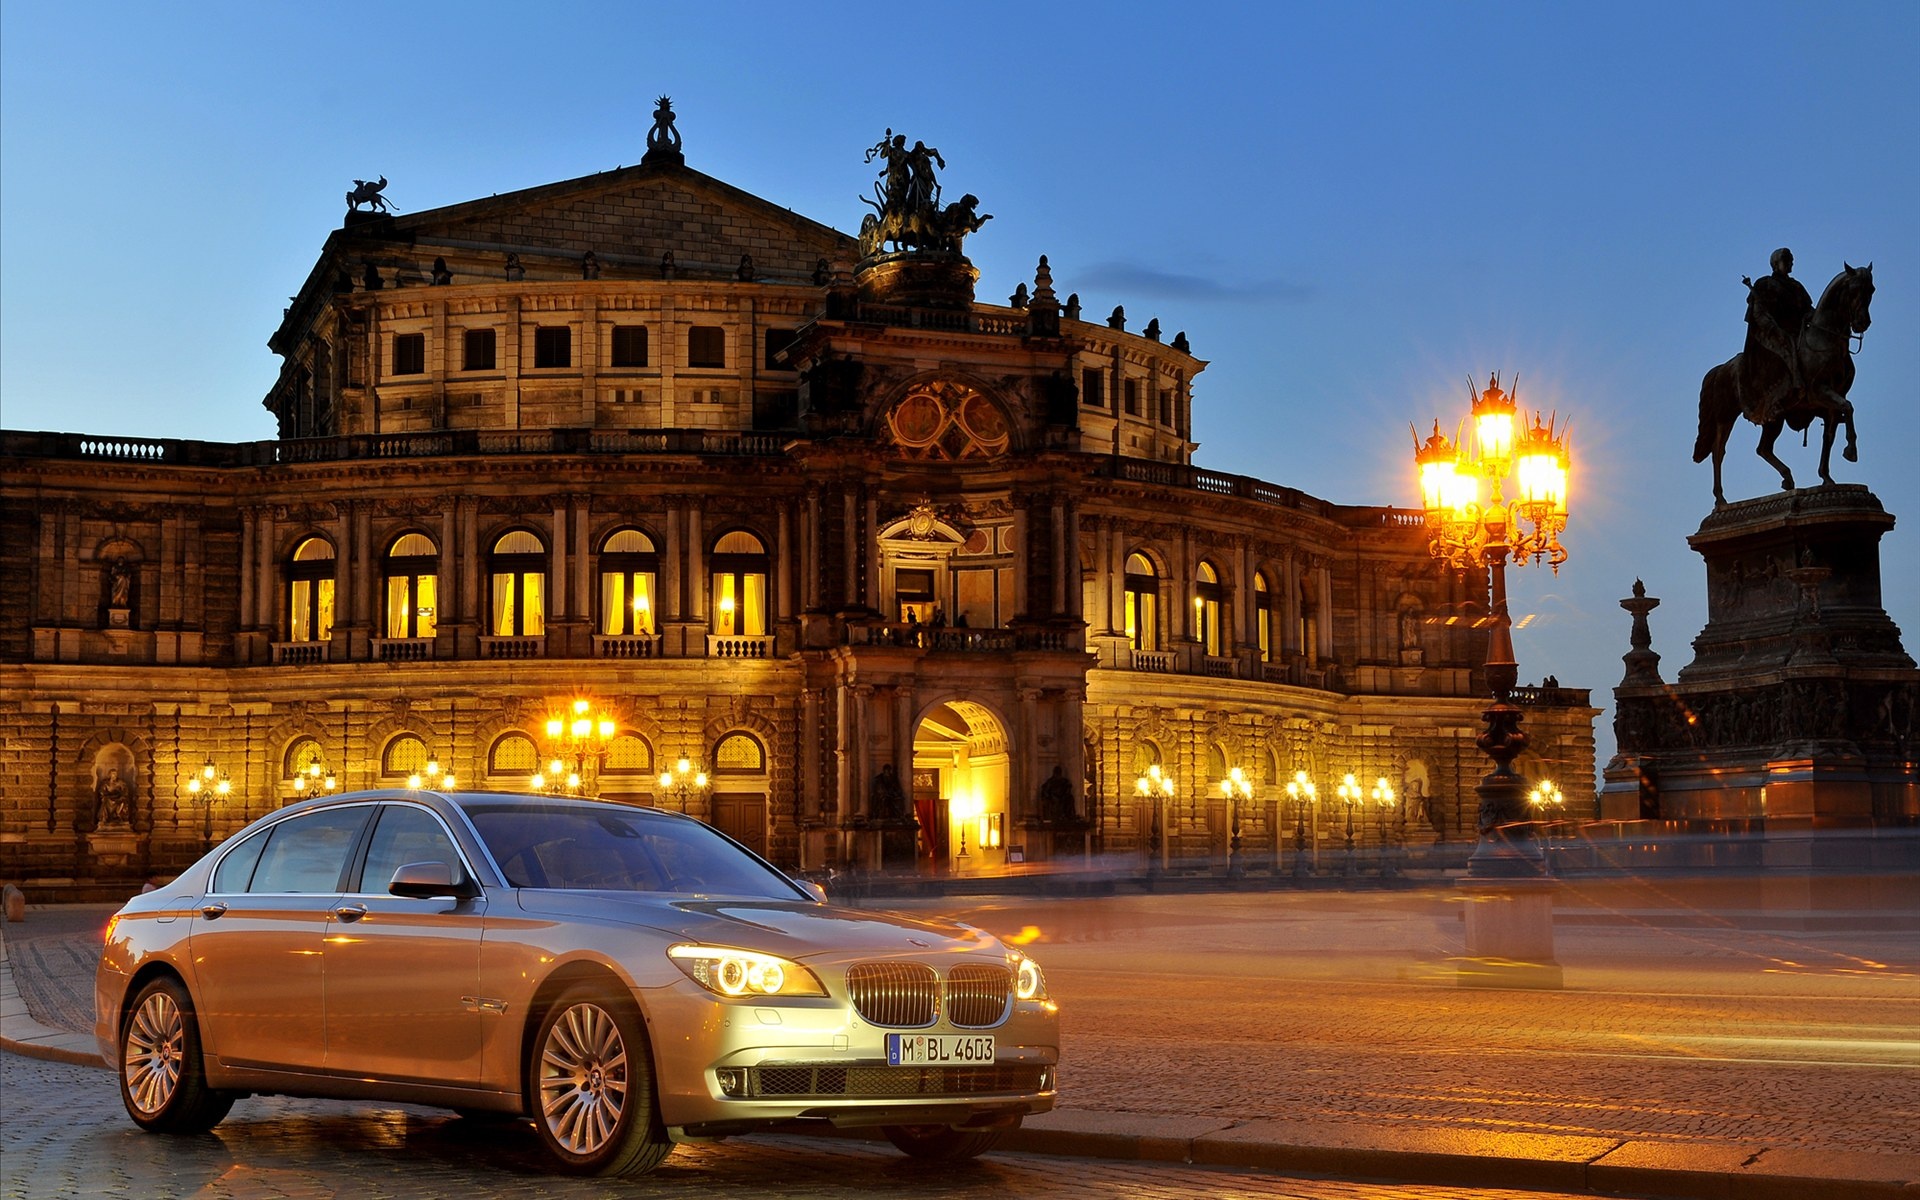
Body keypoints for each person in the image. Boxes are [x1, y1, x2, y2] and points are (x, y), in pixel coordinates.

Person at [1745, 247, 1813, 396]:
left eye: (1791, 261)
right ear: (1776, 264)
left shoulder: (1796, 286)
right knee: (1788, 346)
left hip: (1798, 331)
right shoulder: (1765, 284)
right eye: (1787, 261)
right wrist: (1773, 329)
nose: (1790, 264)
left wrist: (1811, 316)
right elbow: (1758, 313)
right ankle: (1796, 383)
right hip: (1772, 332)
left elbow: (1809, 309)